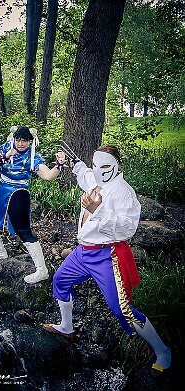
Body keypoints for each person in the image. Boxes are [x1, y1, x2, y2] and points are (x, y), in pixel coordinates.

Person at [43, 144, 171, 377]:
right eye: (95, 165)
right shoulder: (96, 178)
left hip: (106, 256)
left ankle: (163, 352)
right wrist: (72, 163)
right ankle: (67, 327)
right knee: (60, 280)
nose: (98, 170)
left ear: (116, 166)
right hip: (83, 252)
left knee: (123, 310)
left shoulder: (124, 192)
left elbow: (127, 229)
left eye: (104, 166)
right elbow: (85, 174)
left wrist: (98, 209)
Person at [0, 125, 65, 284]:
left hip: (19, 192)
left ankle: (42, 270)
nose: (20, 143)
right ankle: (0, 251)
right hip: (2, 188)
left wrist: (59, 165)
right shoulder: (6, 148)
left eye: (24, 140)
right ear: (14, 139)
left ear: (31, 142)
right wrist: (5, 156)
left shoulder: (33, 157)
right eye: (18, 140)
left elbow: (48, 176)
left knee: (23, 231)